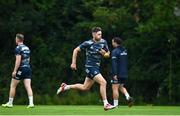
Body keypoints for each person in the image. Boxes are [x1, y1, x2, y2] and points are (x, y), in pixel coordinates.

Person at [57, 27, 115, 110]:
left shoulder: (103, 41)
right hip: (90, 67)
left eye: (101, 34)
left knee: (85, 87)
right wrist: (73, 62)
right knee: (103, 82)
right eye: (98, 34)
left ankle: (66, 87)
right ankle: (106, 104)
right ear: (93, 34)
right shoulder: (88, 43)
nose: (100, 36)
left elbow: (108, 54)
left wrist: (105, 54)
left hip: (96, 67)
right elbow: (76, 50)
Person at [2, 33, 34, 108]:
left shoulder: (18, 48)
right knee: (28, 86)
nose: (15, 40)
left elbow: (18, 60)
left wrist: (15, 71)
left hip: (21, 68)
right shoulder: (27, 48)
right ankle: (31, 103)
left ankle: (10, 103)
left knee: (13, 85)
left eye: (15, 38)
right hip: (28, 68)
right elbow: (28, 59)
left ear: (17, 39)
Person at [111, 37, 134, 107]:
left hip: (117, 73)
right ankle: (128, 97)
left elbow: (114, 64)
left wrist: (114, 74)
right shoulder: (125, 50)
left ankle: (115, 105)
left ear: (115, 42)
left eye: (112, 42)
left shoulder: (115, 51)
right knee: (121, 87)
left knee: (114, 88)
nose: (112, 43)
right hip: (124, 73)